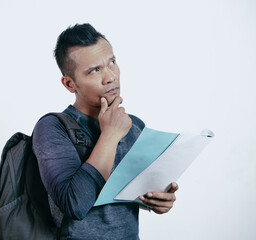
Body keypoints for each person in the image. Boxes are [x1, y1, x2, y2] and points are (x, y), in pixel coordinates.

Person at [32, 23, 178, 239]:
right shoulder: (53, 127)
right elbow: (74, 205)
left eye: (112, 62)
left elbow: (134, 193)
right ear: (70, 84)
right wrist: (110, 135)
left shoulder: (134, 125)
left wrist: (159, 200)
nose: (110, 77)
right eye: (95, 70)